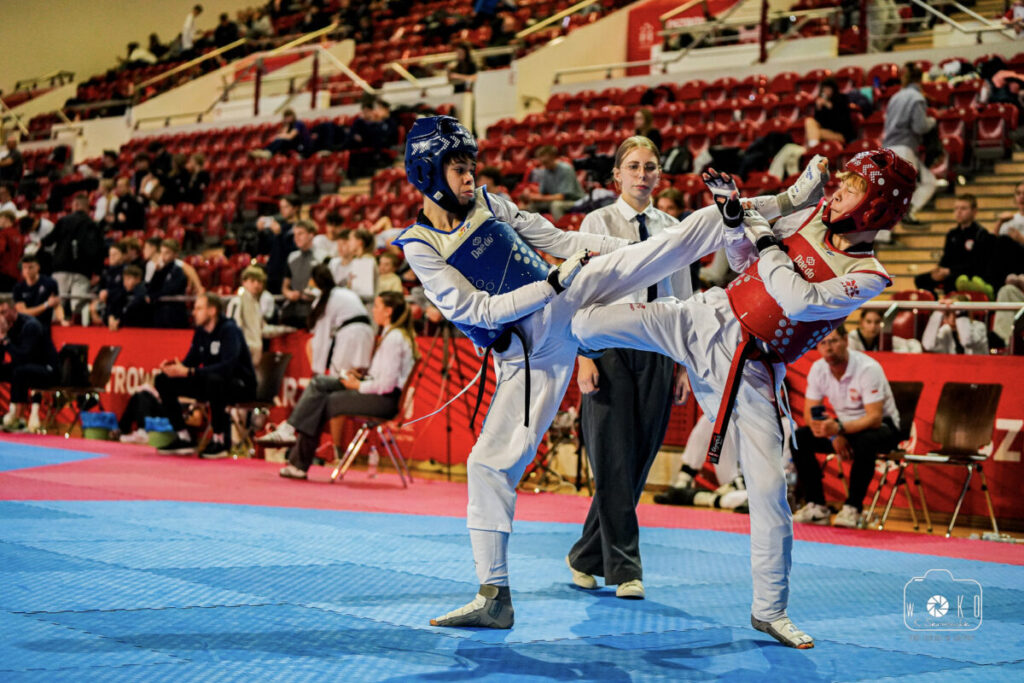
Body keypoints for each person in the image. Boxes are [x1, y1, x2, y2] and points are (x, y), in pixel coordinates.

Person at [391, 116, 730, 632]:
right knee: (487, 464)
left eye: (470, 167)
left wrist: (620, 253)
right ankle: (494, 595)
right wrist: (551, 282)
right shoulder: (419, 244)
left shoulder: (488, 201)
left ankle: (752, 213)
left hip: (572, 305)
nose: (469, 177)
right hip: (529, 354)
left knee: (662, 249)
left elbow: (553, 235)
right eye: (459, 168)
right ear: (427, 171)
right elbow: (477, 311)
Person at [569, 148, 918, 648]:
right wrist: (736, 222)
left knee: (769, 490)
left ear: (877, 207)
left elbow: (798, 299)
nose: (836, 192)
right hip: (703, 316)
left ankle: (769, 610)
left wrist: (763, 237)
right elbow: (743, 261)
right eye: (839, 183)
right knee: (583, 322)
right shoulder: (812, 218)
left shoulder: (870, 276)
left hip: (751, 369)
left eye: (852, 188)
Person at [565, 136, 691, 601]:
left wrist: (683, 363)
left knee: (636, 460)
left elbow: (682, 295)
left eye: (650, 167)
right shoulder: (596, 222)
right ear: (617, 175)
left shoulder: (673, 228)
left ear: (660, 175)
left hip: (659, 344)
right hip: (608, 344)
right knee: (613, 457)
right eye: (633, 167)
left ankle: (585, 555)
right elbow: (580, 291)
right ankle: (625, 568)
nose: (642, 175)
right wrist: (583, 354)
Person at [260, 291, 417, 479]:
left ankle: (296, 455)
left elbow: (387, 385)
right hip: (375, 392)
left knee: (323, 400)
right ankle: (291, 438)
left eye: (377, 306)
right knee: (320, 383)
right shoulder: (391, 334)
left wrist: (356, 385)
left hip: (384, 401)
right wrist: (359, 379)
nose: (373, 310)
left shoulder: (395, 339)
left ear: (388, 311)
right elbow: (381, 378)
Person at [790, 326, 901, 528]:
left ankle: (853, 508)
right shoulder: (818, 369)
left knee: (865, 441)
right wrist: (832, 436)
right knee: (799, 438)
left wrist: (839, 429)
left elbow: (875, 418)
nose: (828, 348)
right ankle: (816, 506)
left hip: (883, 427)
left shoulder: (868, 368)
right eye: (823, 343)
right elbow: (810, 413)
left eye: (833, 341)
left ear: (846, 340)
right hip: (843, 428)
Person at [154, 292, 257, 458]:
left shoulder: (230, 330)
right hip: (211, 383)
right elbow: (190, 363)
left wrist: (190, 372)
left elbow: (227, 367)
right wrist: (174, 368)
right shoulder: (201, 332)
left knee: (215, 380)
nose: (194, 312)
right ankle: (183, 436)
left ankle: (220, 439)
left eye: (199, 308)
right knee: (163, 380)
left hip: (240, 386)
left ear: (212, 310)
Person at [883, 63, 937, 225]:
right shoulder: (917, 98)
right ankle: (908, 211)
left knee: (891, 193)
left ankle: (885, 237)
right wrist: (932, 121)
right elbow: (919, 126)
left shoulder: (895, 97)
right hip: (904, 148)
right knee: (926, 183)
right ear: (920, 80)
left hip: (888, 149)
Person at [913, 194, 995, 298]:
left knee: (951, 280)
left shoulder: (981, 234)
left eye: (963, 208)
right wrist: (939, 270)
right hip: (949, 272)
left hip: (969, 274)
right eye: (956, 208)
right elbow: (946, 258)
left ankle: (952, 309)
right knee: (921, 279)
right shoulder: (952, 234)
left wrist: (950, 271)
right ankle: (934, 307)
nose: (959, 212)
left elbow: (977, 264)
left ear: (974, 211)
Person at [41, 193, 103, 325]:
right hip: (83, 271)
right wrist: (97, 272)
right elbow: (99, 250)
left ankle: (55, 334)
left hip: (61, 268)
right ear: (87, 207)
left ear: (75, 205)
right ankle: (79, 334)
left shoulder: (64, 220)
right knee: (78, 306)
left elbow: (48, 241)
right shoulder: (93, 224)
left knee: (58, 304)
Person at [0, 301, 59, 433]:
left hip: (48, 369)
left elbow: (23, 357)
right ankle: (15, 417)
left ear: (13, 310)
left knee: (19, 371)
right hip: (27, 367)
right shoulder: (9, 327)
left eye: (4, 312)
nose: (1, 316)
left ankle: (16, 416)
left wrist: (4, 339)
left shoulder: (30, 325)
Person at [521, 145, 584, 220]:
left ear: (553, 157)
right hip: (556, 200)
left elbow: (562, 196)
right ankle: (538, 229)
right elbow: (542, 193)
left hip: (575, 201)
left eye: (546, 162)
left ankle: (560, 228)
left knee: (556, 205)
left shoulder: (566, 169)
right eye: (542, 163)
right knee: (532, 206)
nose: (544, 165)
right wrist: (529, 195)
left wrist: (537, 197)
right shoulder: (545, 171)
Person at [280, 220, 319, 329]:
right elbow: (284, 287)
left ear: (311, 235)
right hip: (294, 310)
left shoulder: (322, 257)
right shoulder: (292, 257)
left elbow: (326, 286)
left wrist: (309, 294)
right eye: (295, 234)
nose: (296, 238)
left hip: (314, 310)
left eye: (300, 233)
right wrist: (289, 293)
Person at [257, 196, 298, 294]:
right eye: (281, 207)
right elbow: (263, 249)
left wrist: (279, 235)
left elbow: (293, 252)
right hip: (273, 274)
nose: (282, 210)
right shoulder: (279, 227)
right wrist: (261, 232)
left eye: (286, 207)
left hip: (288, 277)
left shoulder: (299, 228)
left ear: (295, 208)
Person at [12, 254, 63, 331]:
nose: (28, 270)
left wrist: (62, 319)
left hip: (44, 326)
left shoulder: (50, 283)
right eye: (25, 268)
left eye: (31, 267)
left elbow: (56, 304)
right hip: (25, 326)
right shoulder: (18, 288)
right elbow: (24, 313)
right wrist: (46, 305)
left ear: (38, 267)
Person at [148, 239, 190, 329]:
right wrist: (157, 272)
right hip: (159, 314)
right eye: (162, 253)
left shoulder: (178, 271)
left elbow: (170, 290)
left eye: (167, 253)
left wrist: (154, 296)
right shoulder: (160, 270)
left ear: (175, 254)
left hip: (174, 315)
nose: (163, 256)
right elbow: (151, 288)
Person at [804, 78, 855, 148]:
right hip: (825, 131)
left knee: (812, 134)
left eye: (828, 89)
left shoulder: (842, 99)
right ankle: (813, 147)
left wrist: (828, 105)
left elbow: (841, 120)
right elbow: (819, 122)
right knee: (809, 121)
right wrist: (819, 109)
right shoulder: (822, 101)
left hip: (841, 134)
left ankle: (813, 149)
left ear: (833, 89)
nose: (826, 91)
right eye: (824, 89)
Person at [233, 266, 268, 364]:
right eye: (252, 281)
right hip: (242, 352)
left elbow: (263, 329)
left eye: (259, 281)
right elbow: (233, 328)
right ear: (244, 282)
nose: (256, 284)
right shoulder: (237, 301)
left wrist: (286, 329)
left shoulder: (257, 304)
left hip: (255, 353)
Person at [110, 264, 149, 330]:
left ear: (138, 279)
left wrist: (119, 319)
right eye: (124, 279)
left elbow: (131, 308)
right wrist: (111, 316)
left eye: (128, 279)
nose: (125, 282)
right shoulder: (125, 291)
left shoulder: (142, 290)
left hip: (141, 329)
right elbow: (114, 303)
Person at [0, 210, 24, 291]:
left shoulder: (3, 233)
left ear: (5, 219)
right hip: (16, 273)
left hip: (4, 272)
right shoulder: (19, 235)